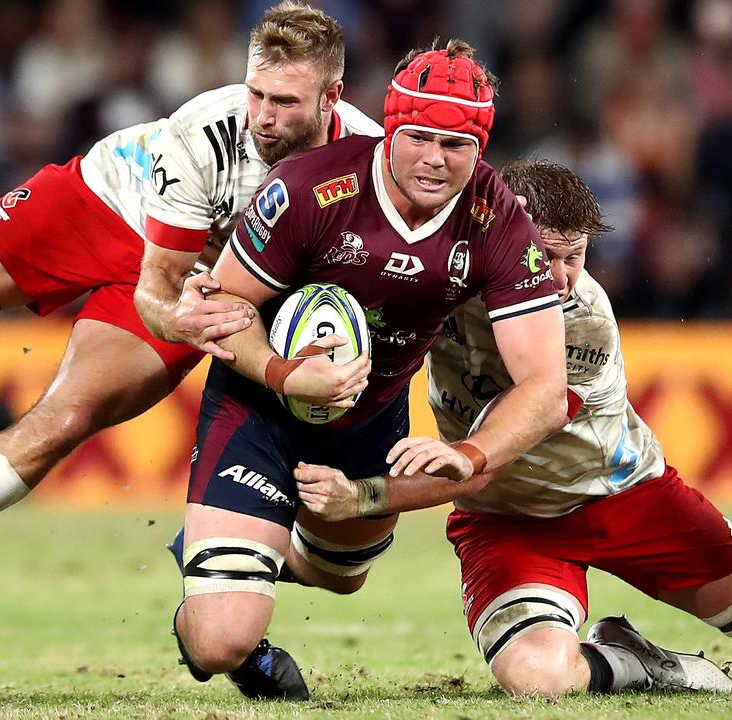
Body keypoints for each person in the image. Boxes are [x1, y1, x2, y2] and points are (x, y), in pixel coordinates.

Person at [0, 2, 381, 620]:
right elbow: (155, 293)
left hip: (209, 276)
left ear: (332, 98)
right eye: (256, 95)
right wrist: (186, 323)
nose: (263, 118)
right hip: (104, 204)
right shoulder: (203, 134)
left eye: (286, 103)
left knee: (65, 417)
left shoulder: (367, 163)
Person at [292, 159, 732, 697]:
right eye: (548, 255)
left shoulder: (582, 317)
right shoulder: (443, 280)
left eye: (577, 256)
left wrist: (369, 497)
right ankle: (638, 663)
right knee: (536, 678)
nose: (562, 278)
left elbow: (494, 454)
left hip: (626, 498)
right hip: (508, 522)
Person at [168, 40, 579, 701]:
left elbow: (545, 387)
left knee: (341, 575)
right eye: (418, 137)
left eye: (456, 145)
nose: (435, 160)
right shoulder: (308, 188)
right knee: (222, 640)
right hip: (260, 407)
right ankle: (225, 592)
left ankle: (235, 552)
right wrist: (282, 373)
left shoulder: (497, 220)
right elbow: (223, 310)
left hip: (371, 418)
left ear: (481, 149)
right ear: (390, 127)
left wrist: (470, 456)